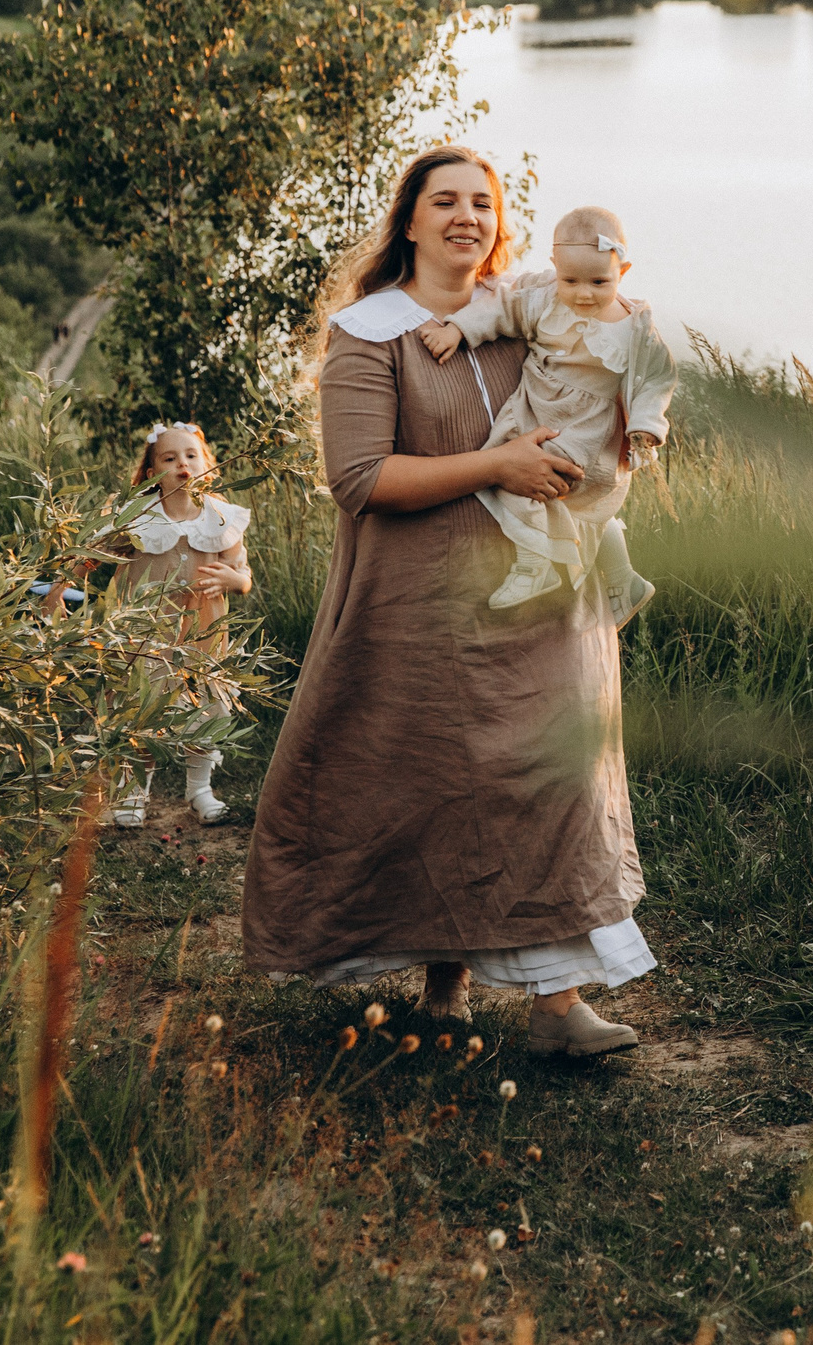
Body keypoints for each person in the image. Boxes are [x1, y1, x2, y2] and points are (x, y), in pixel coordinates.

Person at [241, 144, 651, 1058]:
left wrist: (622, 424)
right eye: (448, 201)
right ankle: (446, 988)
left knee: (547, 780)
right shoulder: (368, 331)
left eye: (484, 203)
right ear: (412, 218)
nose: (468, 216)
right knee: (434, 785)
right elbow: (357, 476)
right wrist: (498, 464)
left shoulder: (529, 317)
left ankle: (557, 1008)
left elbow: (597, 390)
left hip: (544, 591)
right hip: (418, 605)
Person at [415, 204, 677, 626]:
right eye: (570, 280)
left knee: (537, 477)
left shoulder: (634, 325)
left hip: (588, 425)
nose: (584, 293)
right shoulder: (543, 299)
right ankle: (623, 579)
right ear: (554, 266)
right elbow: (501, 311)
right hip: (537, 406)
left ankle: (534, 563)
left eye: (599, 281)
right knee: (537, 480)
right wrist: (457, 329)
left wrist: (647, 424)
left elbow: (658, 378)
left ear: (623, 272)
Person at [49, 421, 253, 828]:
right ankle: (133, 792)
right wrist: (61, 587)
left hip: (203, 636)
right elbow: (94, 555)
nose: (183, 463)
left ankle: (200, 790)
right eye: (170, 457)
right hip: (145, 636)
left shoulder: (219, 517)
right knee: (141, 708)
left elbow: (243, 575)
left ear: (206, 465)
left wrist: (235, 580)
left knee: (205, 709)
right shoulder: (138, 517)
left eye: (192, 455)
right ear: (149, 472)